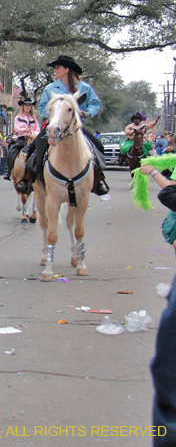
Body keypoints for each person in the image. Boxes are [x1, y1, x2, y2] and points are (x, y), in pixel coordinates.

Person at [14, 55, 108, 196]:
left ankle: (98, 179)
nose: (55, 70)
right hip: (53, 127)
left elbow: (95, 103)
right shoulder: (51, 88)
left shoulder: (85, 88)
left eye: (57, 67)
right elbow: (43, 106)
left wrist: (87, 113)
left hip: (76, 128)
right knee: (35, 146)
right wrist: (53, 115)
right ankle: (29, 178)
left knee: (98, 146)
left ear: (67, 69)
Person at [137, 162, 176, 444]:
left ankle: (96, 178)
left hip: (71, 121)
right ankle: (26, 180)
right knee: (28, 151)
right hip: (48, 127)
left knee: (94, 151)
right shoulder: (34, 114)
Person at [6, 94, 40, 179]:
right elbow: (16, 128)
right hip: (22, 138)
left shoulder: (34, 118)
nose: (28, 107)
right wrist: (24, 130)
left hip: (33, 139)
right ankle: (9, 170)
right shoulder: (18, 117)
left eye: (29, 105)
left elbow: (38, 129)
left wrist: (34, 133)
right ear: (23, 106)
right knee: (12, 150)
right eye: (26, 105)